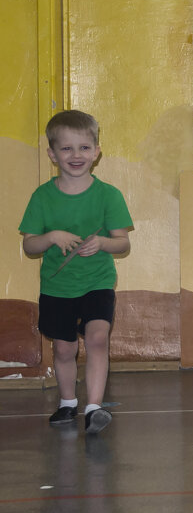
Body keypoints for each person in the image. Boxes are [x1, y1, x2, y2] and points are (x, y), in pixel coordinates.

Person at [19, 110, 132, 434]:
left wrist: (102, 242)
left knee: (97, 338)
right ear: (52, 154)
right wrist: (51, 237)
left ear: (96, 151)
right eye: (66, 149)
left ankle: (94, 407)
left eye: (84, 147)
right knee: (64, 348)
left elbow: (122, 244)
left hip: (97, 282)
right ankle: (68, 402)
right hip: (57, 287)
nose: (76, 155)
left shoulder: (108, 195)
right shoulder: (42, 197)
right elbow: (30, 246)